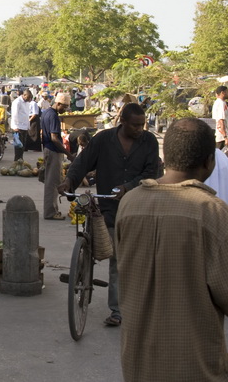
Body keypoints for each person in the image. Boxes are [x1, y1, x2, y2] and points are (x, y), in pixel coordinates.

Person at [115, 118, 228, 382]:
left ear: (164, 157)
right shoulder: (211, 211)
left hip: (137, 364)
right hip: (195, 367)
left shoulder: (129, 203)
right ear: (209, 162)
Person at [59, 102, 159, 326]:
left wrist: (129, 187)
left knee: (119, 262)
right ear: (122, 121)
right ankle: (82, 276)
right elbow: (82, 162)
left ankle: (117, 310)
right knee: (101, 248)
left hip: (136, 209)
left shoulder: (149, 142)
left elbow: (153, 172)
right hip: (107, 209)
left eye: (142, 125)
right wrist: (69, 181)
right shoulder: (104, 139)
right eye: (135, 125)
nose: (139, 129)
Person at [40, 92, 73, 221]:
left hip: (49, 150)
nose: (64, 110)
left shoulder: (47, 112)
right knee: (52, 183)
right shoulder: (53, 116)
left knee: (53, 181)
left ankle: (53, 210)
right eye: (63, 107)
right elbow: (54, 138)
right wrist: (68, 153)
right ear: (58, 103)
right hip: (53, 150)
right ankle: (50, 212)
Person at [10, 89, 34, 161]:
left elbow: (26, 115)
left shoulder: (27, 103)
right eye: (28, 97)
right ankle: (17, 162)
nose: (29, 99)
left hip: (24, 127)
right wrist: (15, 127)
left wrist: (27, 126)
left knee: (23, 147)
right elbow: (14, 115)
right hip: (18, 127)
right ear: (24, 95)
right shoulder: (17, 102)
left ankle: (20, 160)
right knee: (18, 147)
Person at [211, 85, 228, 149]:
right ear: (223, 93)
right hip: (221, 136)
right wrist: (225, 137)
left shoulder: (222, 102)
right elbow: (220, 120)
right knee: (224, 157)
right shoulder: (220, 103)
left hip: (224, 134)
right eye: (227, 92)